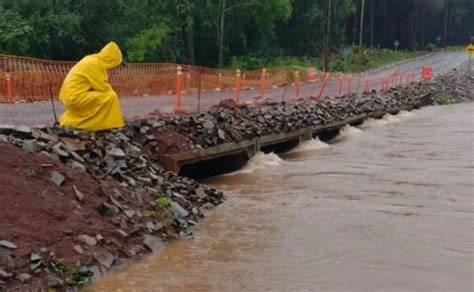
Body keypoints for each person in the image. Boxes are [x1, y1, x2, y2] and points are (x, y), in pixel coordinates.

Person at [58, 41, 125, 131]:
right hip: (75, 98)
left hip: (71, 96)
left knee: (102, 96)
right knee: (110, 96)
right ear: (111, 60)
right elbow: (103, 87)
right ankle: (108, 123)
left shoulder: (92, 59)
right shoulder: (95, 64)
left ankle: (70, 122)